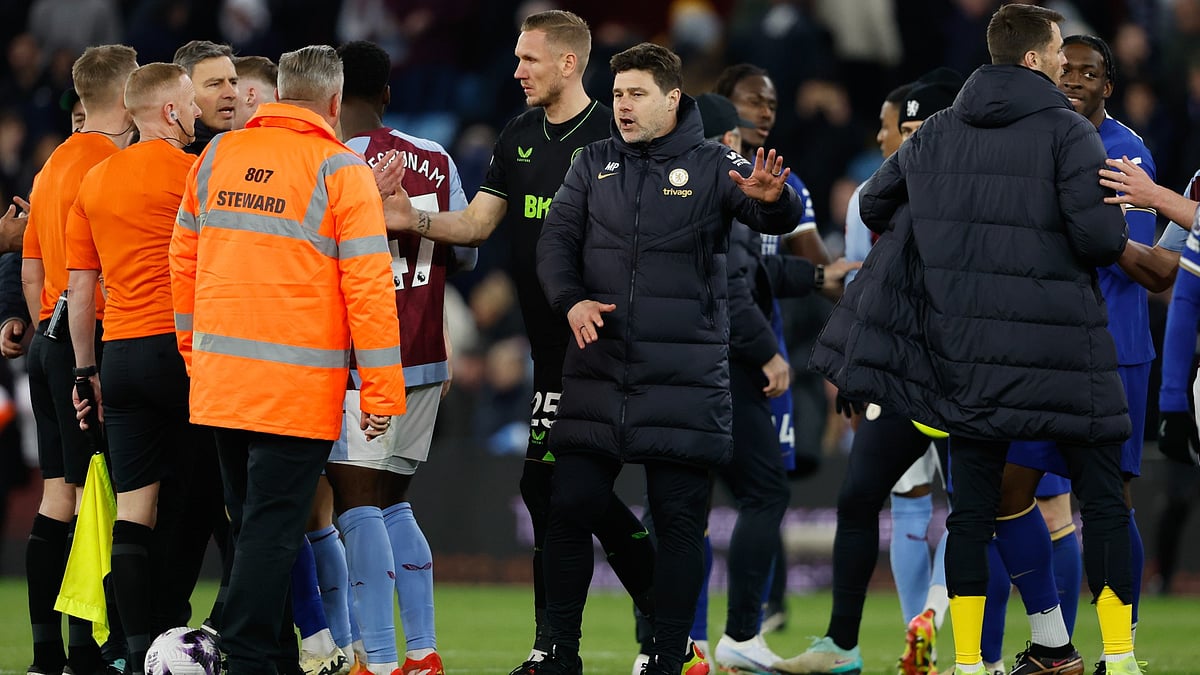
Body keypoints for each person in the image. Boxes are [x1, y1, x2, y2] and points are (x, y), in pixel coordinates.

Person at [811, 4, 1140, 674]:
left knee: (973, 512)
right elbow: (1103, 241)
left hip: (966, 359)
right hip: (1063, 350)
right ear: (1031, 58)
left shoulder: (934, 136)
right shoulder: (1070, 135)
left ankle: (968, 663)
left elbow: (875, 206)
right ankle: (1121, 657)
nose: (1060, 63)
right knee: (1101, 501)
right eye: (1054, 52)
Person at [381, 11, 659, 674]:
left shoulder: (613, 137)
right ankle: (588, 635)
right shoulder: (520, 135)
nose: (516, 71)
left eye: (529, 59)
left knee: (564, 491)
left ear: (568, 63)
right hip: (549, 354)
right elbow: (478, 224)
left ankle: (604, 633)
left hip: (605, 348)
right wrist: (409, 217)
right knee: (551, 493)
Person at [534, 42, 804, 675]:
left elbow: (776, 210)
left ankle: (666, 658)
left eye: (637, 95)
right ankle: (558, 655)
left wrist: (772, 201)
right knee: (569, 501)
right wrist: (570, 300)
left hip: (681, 380)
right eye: (618, 94)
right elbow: (556, 243)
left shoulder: (715, 163)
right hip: (598, 368)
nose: (622, 107)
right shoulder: (590, 162)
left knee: (681, 524)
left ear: (672, 99)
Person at [169, 44, 407, 674]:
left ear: (277, 94)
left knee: (251, 524)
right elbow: (370, 290)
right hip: (295, 389)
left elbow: (183, 262)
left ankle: (271, 653)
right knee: (274, 529)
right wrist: (383, 392)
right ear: (334, 102)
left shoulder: (218, 154)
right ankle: (243, 656)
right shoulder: (338, 170)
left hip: (222, 381)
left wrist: (195, 354)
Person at [980, 34, 1177, 675]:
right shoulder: (1031, 135)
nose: (1074, 80)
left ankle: (1120, 651)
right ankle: (1051, 643)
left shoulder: (1126, 152)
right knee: (1008, 494)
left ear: (1107, 86)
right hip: (1039, 350)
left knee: (1107, 503)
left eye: (1089, 73)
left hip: (1114, 349)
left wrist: (1088, 229)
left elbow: (1151, 269)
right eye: (1066, 69)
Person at [775, 75, 962, 675]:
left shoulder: (973, 192)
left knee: (980, 507)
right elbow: (863, 286)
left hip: (967, 376)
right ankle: (855, 644)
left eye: (911, 131)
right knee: (864, 496)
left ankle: (949, 631)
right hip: (901, 375)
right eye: (893, 131)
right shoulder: (870, 199)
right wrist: (856, 367)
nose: (898, 143)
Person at [690, 92, 858, 674]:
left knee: (681, 506)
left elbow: (755, 270)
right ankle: (740, 633)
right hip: (729, 367)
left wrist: (816, 274)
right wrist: (768, 354)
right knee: (764, 493)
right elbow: (736, 288)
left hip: (686, 365)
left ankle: (668, 641)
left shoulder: (676, 187)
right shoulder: (727, 186)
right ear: (728, 141)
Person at [328, 39, 477, 675]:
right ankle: (422, 652)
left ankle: (380, 662)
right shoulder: (437, 160)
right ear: (387, 94)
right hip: (425, 358)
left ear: (331, 98)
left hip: (360, 363)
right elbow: (467, 250)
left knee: (356, 506)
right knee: (394, 502)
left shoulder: (328, 162)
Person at [63, 61, 202, 675]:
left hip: (117, 356)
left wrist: (83, 371)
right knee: (205, 497)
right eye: (192, 104)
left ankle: (134, 649)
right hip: (182, 351)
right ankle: (203, 631)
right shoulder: (196, 172)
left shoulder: (94, 180)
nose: (199, 113)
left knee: (133, 509)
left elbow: (81, 289)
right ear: (170, 111)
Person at [20, 43, 138, 675]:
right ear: (126, 98)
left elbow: (35, 269)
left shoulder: (51, 167)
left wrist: (42, 329)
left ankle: (46, 654)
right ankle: (89, 648)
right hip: (85, 343)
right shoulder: (109, 167)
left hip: (46, 341)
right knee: (99, 495)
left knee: (57, 496)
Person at [172, 40, 238, 155]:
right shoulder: (172, 158)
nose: (231, 94)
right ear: (183, 92)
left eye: (233, 82)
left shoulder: (246, 150)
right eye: (215, 84)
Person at [232, 55, 277, 130]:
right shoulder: (298, 136)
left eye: (232, 84)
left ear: (250, 96)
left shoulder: (221, 140)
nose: (227, 94)